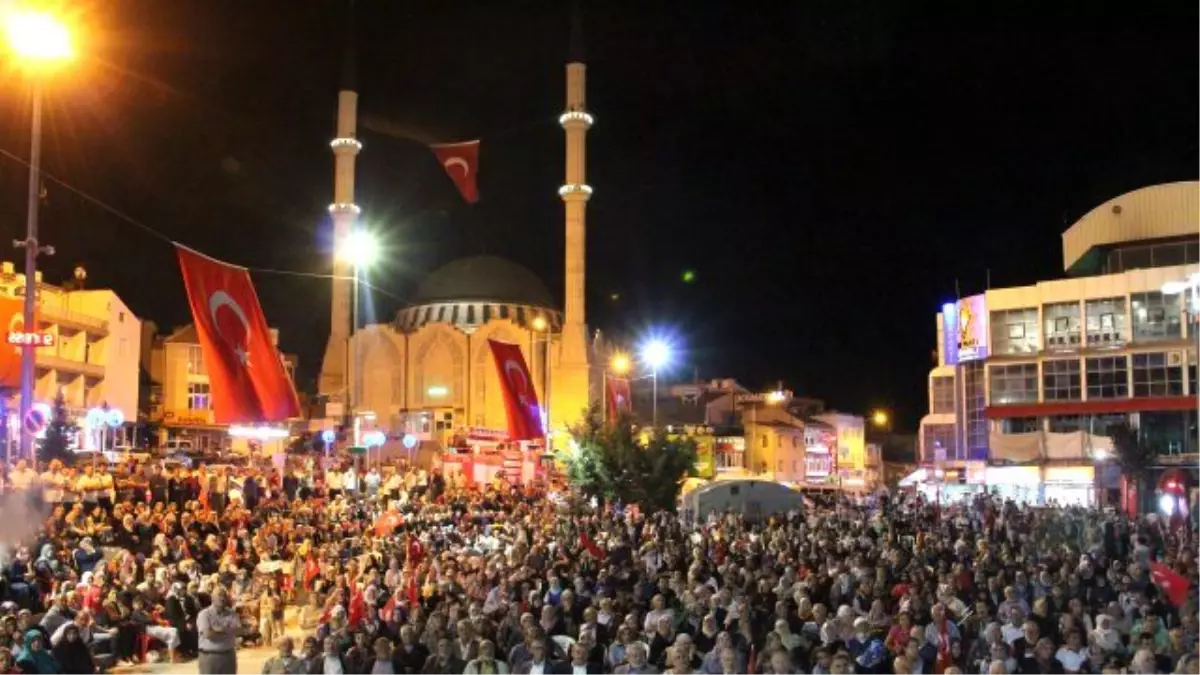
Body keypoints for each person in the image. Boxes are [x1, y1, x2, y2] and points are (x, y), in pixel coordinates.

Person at [197, 587, 238, 675]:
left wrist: (216, 629)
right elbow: (208, 634)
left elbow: (236, 630)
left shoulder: (232, 613)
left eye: (224, 596)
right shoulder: (204, 614)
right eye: (219, 595)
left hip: (228, 656)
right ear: (212, 597)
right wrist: (226, 630)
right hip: (209, 657)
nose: (222, 598)